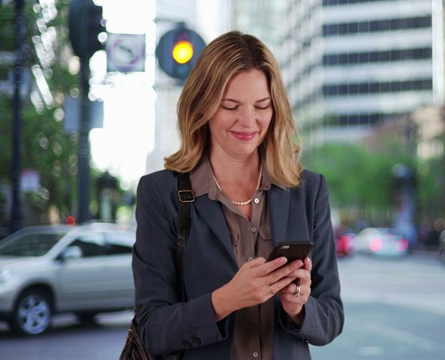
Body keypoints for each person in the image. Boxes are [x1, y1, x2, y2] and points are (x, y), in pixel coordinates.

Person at [132, 31, 344, 359]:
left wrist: (299, 307)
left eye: (261, 106)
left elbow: (331, 318)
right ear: (203, 106)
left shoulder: (309, 191)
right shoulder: (161, 194)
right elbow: (151, 329)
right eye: (231, 106)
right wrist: (225, 300)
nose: (248, 121)